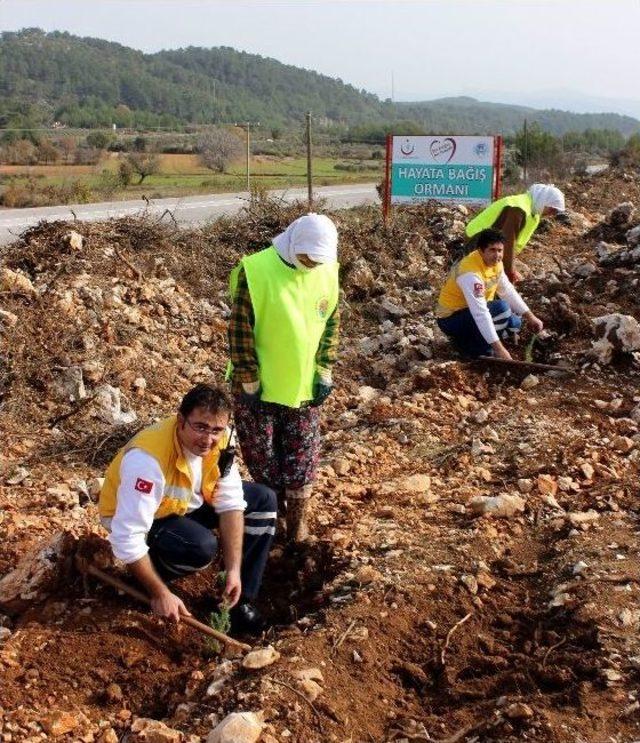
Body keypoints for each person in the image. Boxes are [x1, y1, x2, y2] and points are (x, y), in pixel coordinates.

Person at [98, 383, 276, 634]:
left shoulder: (220, 442)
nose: (208, 439)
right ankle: (147, 577)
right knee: (201, 546)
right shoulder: (147, 460)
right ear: (181, 420)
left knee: (263, 500)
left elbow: (231, 502)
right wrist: (160, 593)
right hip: (147, 518)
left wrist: (234, 571)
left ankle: (239, 602)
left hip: (183, 507)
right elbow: (127, 536)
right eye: (200, 427)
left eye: (216, 430)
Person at [228, 213, 340, 544]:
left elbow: (331, 321)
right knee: (263, 458)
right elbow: (239, 329)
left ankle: (298, 527)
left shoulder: (327, 269)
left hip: (302, 388)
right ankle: (273, 524)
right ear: (293, 244)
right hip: (258, 388)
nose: (311, 264)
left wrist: (324, 368)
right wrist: (248, 376)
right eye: (306, 256)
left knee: (302, 456)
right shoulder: (256, 270)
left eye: (317, 259)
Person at [436, 228, 544, 360]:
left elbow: (507, 291)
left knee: (514, 322)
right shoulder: (470, 272)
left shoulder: (496, 264)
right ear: (481, 251)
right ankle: (477, 350)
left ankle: (468, 341)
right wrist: (500, 350)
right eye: (492, 250)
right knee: (501, 309)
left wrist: (530, 317)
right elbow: (480, 312)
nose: (497, 255)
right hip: (451, 319)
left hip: (470, 313)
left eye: (500, 250)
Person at [465, 183, 565, 281]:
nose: (552, 214)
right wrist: (509, 271)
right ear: (544, 201)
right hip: (476, 244)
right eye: (552, 209)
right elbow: (507, 242)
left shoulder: (533, 213)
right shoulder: (518, 209)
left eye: (555, 212)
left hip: (489, 246)